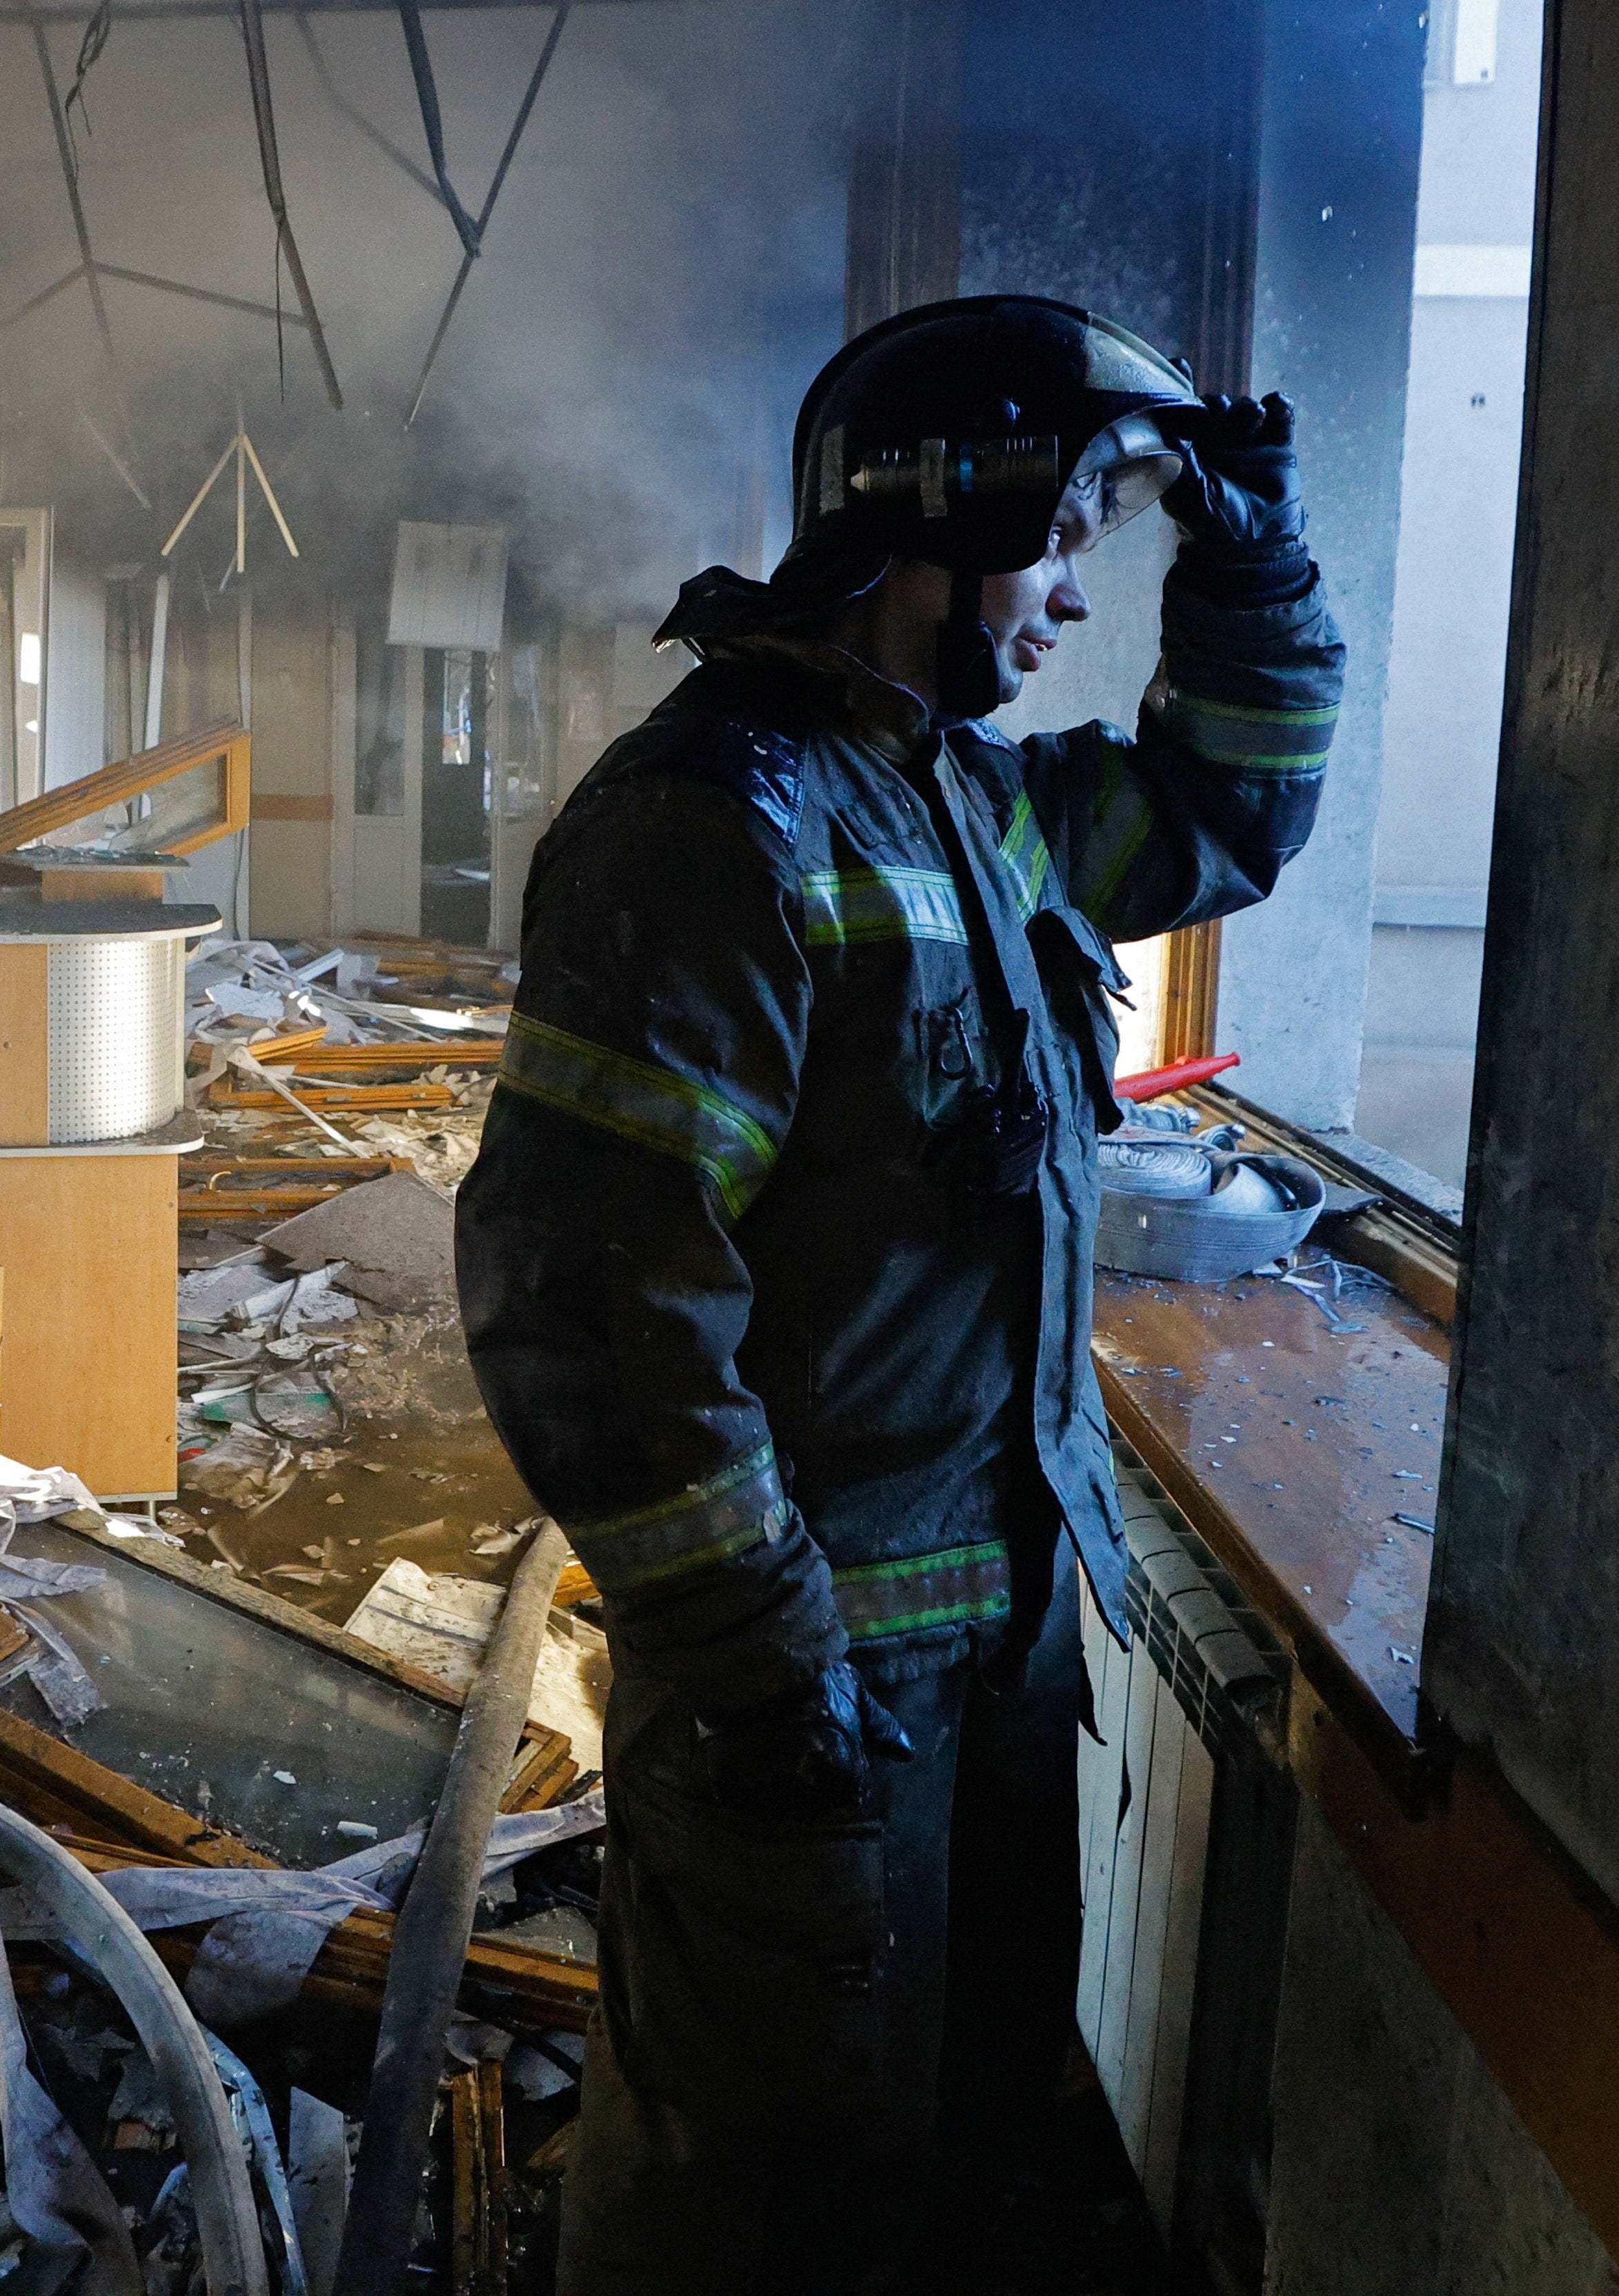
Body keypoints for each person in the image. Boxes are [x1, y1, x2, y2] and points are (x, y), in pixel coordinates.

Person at [457, 296, 1343, 2291]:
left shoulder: (969, 797)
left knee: (940, 2170)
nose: (1067, 610)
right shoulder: (712, 825)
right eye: (1061, 550)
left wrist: (1256, 563)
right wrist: (769, 1673)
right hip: (817, 1699)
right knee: (755, 2214)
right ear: (937, 516)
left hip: (996, 1660)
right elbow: (588, 1307)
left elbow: (1231, 809)